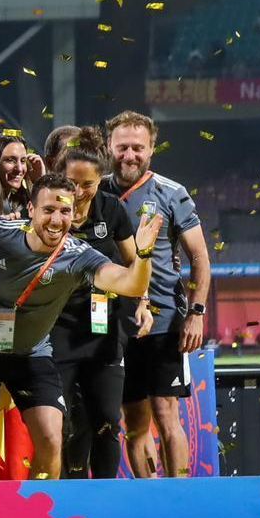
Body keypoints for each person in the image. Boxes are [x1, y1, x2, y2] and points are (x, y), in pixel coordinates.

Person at [0, 174, 164, 480]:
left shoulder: (78, 255)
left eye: (65, 211)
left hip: (31, 353)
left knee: (51, 439)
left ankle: (36, 509)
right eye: (48, 210)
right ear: (30, 209)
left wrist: (144, 253)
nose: (57, 220)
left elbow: (131, 284)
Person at [105, 111, 210, 479]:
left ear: (151, 149)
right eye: (122, 147)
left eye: (138, 147)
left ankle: (178, 494)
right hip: (116, 323)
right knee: (134, 421)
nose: (129, 155)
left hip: (165, 320)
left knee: (166, 413)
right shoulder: (95, 192)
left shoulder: (172, 193)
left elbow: (200, 257)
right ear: (108, 146)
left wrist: (196, 312)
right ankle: (148, 495)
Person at [52, 129, 136, 479]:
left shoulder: (111, 208)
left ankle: (105, 496)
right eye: (72, 183)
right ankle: (65, 496)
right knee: (64, 420)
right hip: (57, 328)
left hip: (103, 327)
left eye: (88, 184)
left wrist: (142, 302)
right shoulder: (51, 210)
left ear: (100, 180)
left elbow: (133, 262)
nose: (79, 192)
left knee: (106, 419)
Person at [0, 131, 45, 218]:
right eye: (10, 160)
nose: (19, 169)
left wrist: (40, 183)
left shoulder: (21, 202)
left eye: (23, 161)